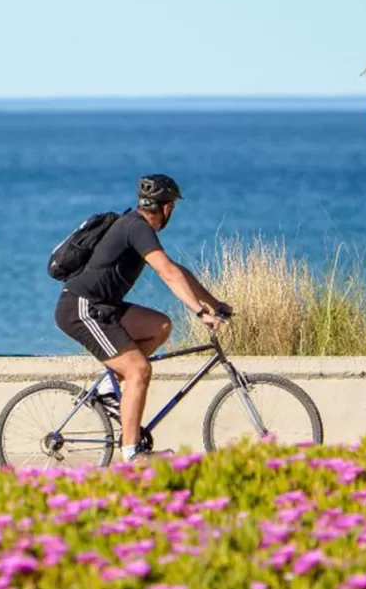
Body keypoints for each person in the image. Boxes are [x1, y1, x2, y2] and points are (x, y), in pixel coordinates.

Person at [53, 174, 232, 462]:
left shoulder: (137, 227)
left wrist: (214, 303)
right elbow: (167, 274)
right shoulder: (136, 227)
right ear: (166, 207)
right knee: (139, 371)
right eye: (172, 205)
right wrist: (200, 313)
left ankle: (106, 387)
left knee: (160, 326)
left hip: (103, 308)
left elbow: (177, 270)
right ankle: (132, 453)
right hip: (81, 309)